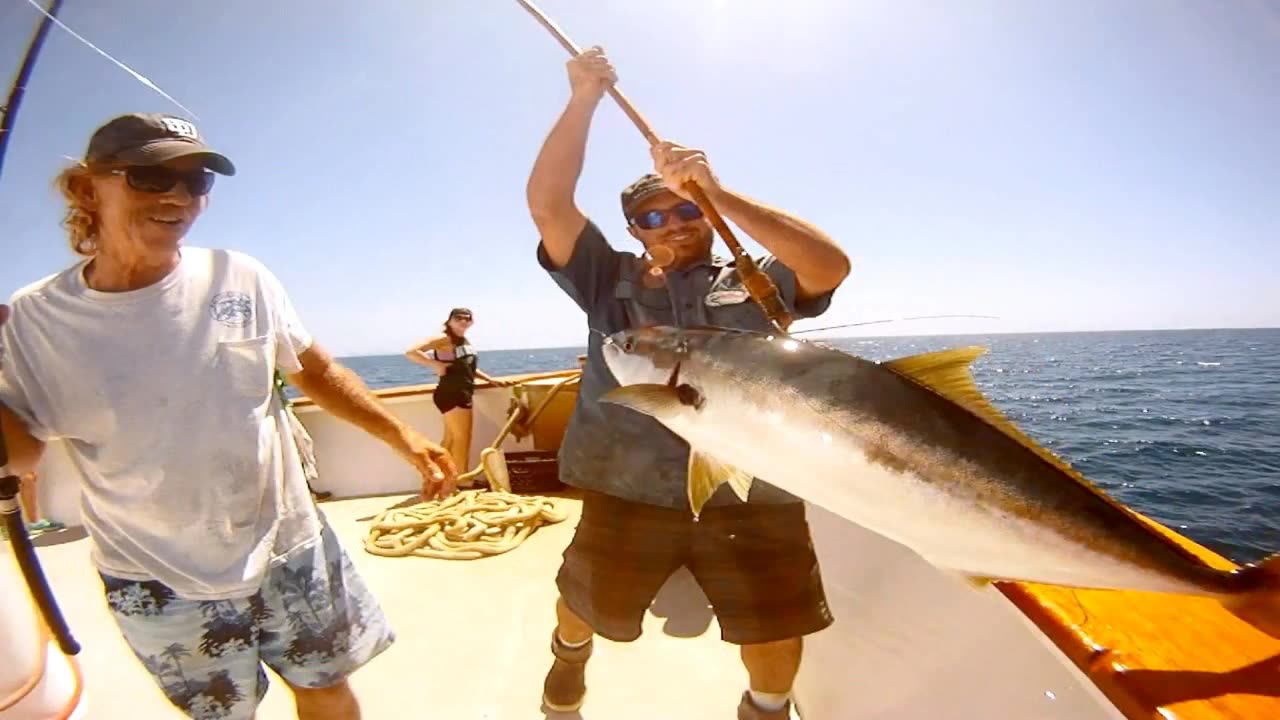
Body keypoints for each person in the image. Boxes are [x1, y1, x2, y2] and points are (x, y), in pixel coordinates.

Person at [0, 113, 458, 720]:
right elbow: (23, 454)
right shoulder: (32, 320)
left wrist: (403, 434)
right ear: (87, 190)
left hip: (287, 545)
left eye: (196, 182)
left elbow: (313, 370)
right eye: (149, 176)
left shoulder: (241, 276)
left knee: (327, 689)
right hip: (155, 577)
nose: (178, 197)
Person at [525, 48, 852, 719]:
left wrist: (719, 192)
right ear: (633, 231)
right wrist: (585, 94)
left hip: (753, 487)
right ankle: (569, 654)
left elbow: (830, 265)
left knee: (773, 624)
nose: (671, 223)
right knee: (585, 599)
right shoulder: (603, 280)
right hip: (626, 486)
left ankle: (764, 707)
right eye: (652, 216)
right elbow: (548, 205)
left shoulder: (757, 279)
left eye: (686, 211)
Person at [404, 308, 511, 484]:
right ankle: (462, 480)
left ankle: (437, 477)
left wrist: (490, 380)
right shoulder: (444, 338)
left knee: (451, 439)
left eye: (467, 318)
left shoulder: (463, 340)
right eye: (458, 318)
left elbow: (467, 367)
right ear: (450, 320)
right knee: (462, 439)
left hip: (459, 392)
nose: (463, 321)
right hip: (453, 393)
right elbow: (411, 352)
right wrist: (434, 364)